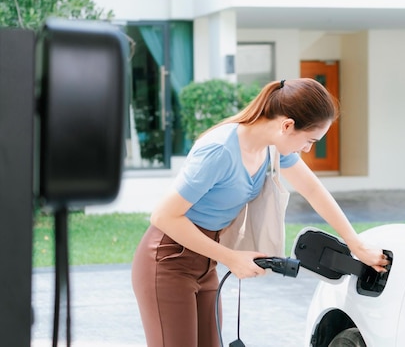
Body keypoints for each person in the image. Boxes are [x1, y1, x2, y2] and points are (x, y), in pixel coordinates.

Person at [131, 78, 389, 347]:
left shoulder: (271, 149)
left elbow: (313, 190)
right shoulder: (220, 150)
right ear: (287, 125)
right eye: (309, 140)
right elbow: (163, 216)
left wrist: (355, 244)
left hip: (204, 263)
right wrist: (231, 257)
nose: (308, 149)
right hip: (168, 260)